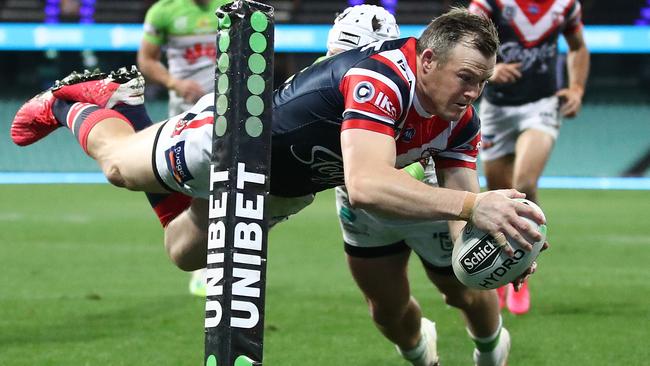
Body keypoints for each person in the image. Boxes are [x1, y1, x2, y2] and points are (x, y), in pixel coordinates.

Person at [10, 7, 545, 364]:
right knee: (119, 167)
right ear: (428, 60)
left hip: (289, 184)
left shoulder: (460, 118)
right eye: (467, 78)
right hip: (240, 137)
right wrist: (477, 205)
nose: (475, 93)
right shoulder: (380, 78)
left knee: (185, 251)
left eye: (483, 81)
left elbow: (460, 209)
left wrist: (491, 247)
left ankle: (129, 105)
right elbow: (366, 185)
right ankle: (78, 101)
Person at [325, 5, 510, 366]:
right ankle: (422, 355)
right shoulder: (323, 82)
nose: (343, 69)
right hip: (362, 206)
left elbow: (383, 180)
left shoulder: (427, 101)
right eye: (336, 59)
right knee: (385, 310)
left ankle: (490, 348)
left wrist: (492, 247)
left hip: (427, 199)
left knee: (463, 291)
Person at [468, 0, 589, 315]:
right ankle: (501, 273)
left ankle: (522, 270)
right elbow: (464, 40)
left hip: (541, 104)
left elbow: (578, 46)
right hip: (496, 110)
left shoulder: (566, 5)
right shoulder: (489, 3)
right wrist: (490, 70)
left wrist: (576, 88)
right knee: (498, 196)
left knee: (524, 183)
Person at [138, 0, 232, 295]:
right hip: (184, 115)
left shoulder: (230, 6)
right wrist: (174, 83)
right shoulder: (163, 11)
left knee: (227, 185)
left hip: (228, 110)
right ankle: (203, 267)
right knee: (195, 189)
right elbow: (146, 59)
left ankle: (226, 262)